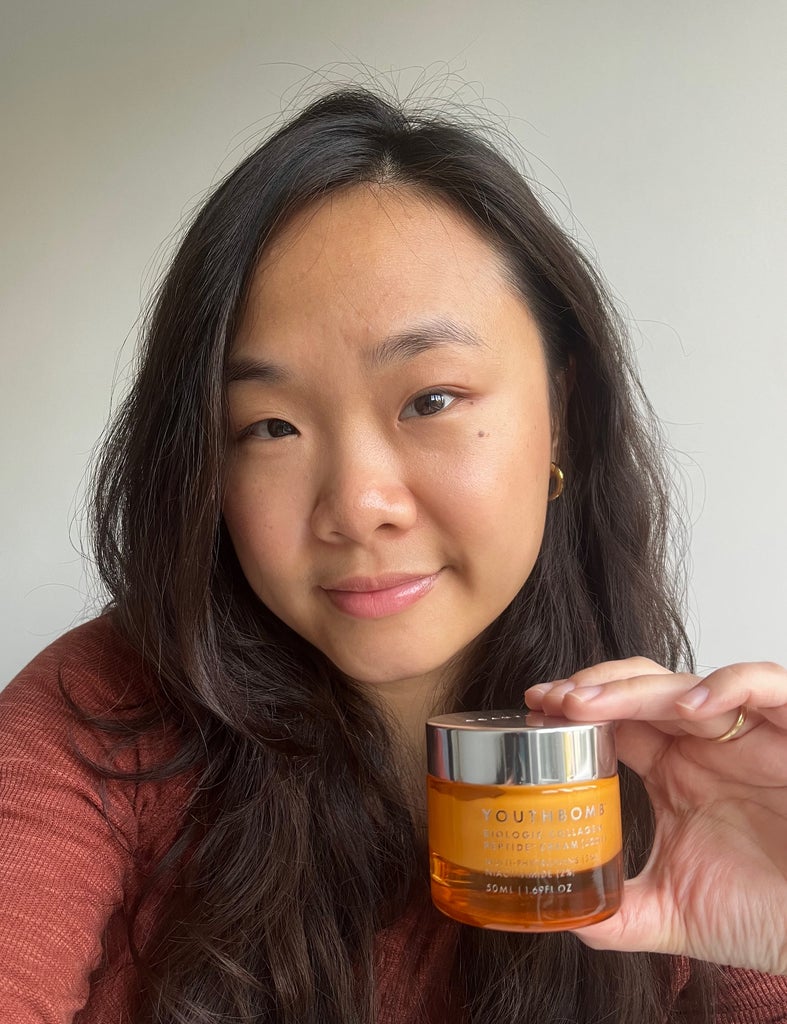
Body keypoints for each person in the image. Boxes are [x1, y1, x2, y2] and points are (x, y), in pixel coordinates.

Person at [0, 86, 785, 1024]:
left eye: (430, 400)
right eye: (270, 425)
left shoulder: (683, 780)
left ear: (562, 417)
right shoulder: (97, 721)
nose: (357, 507)